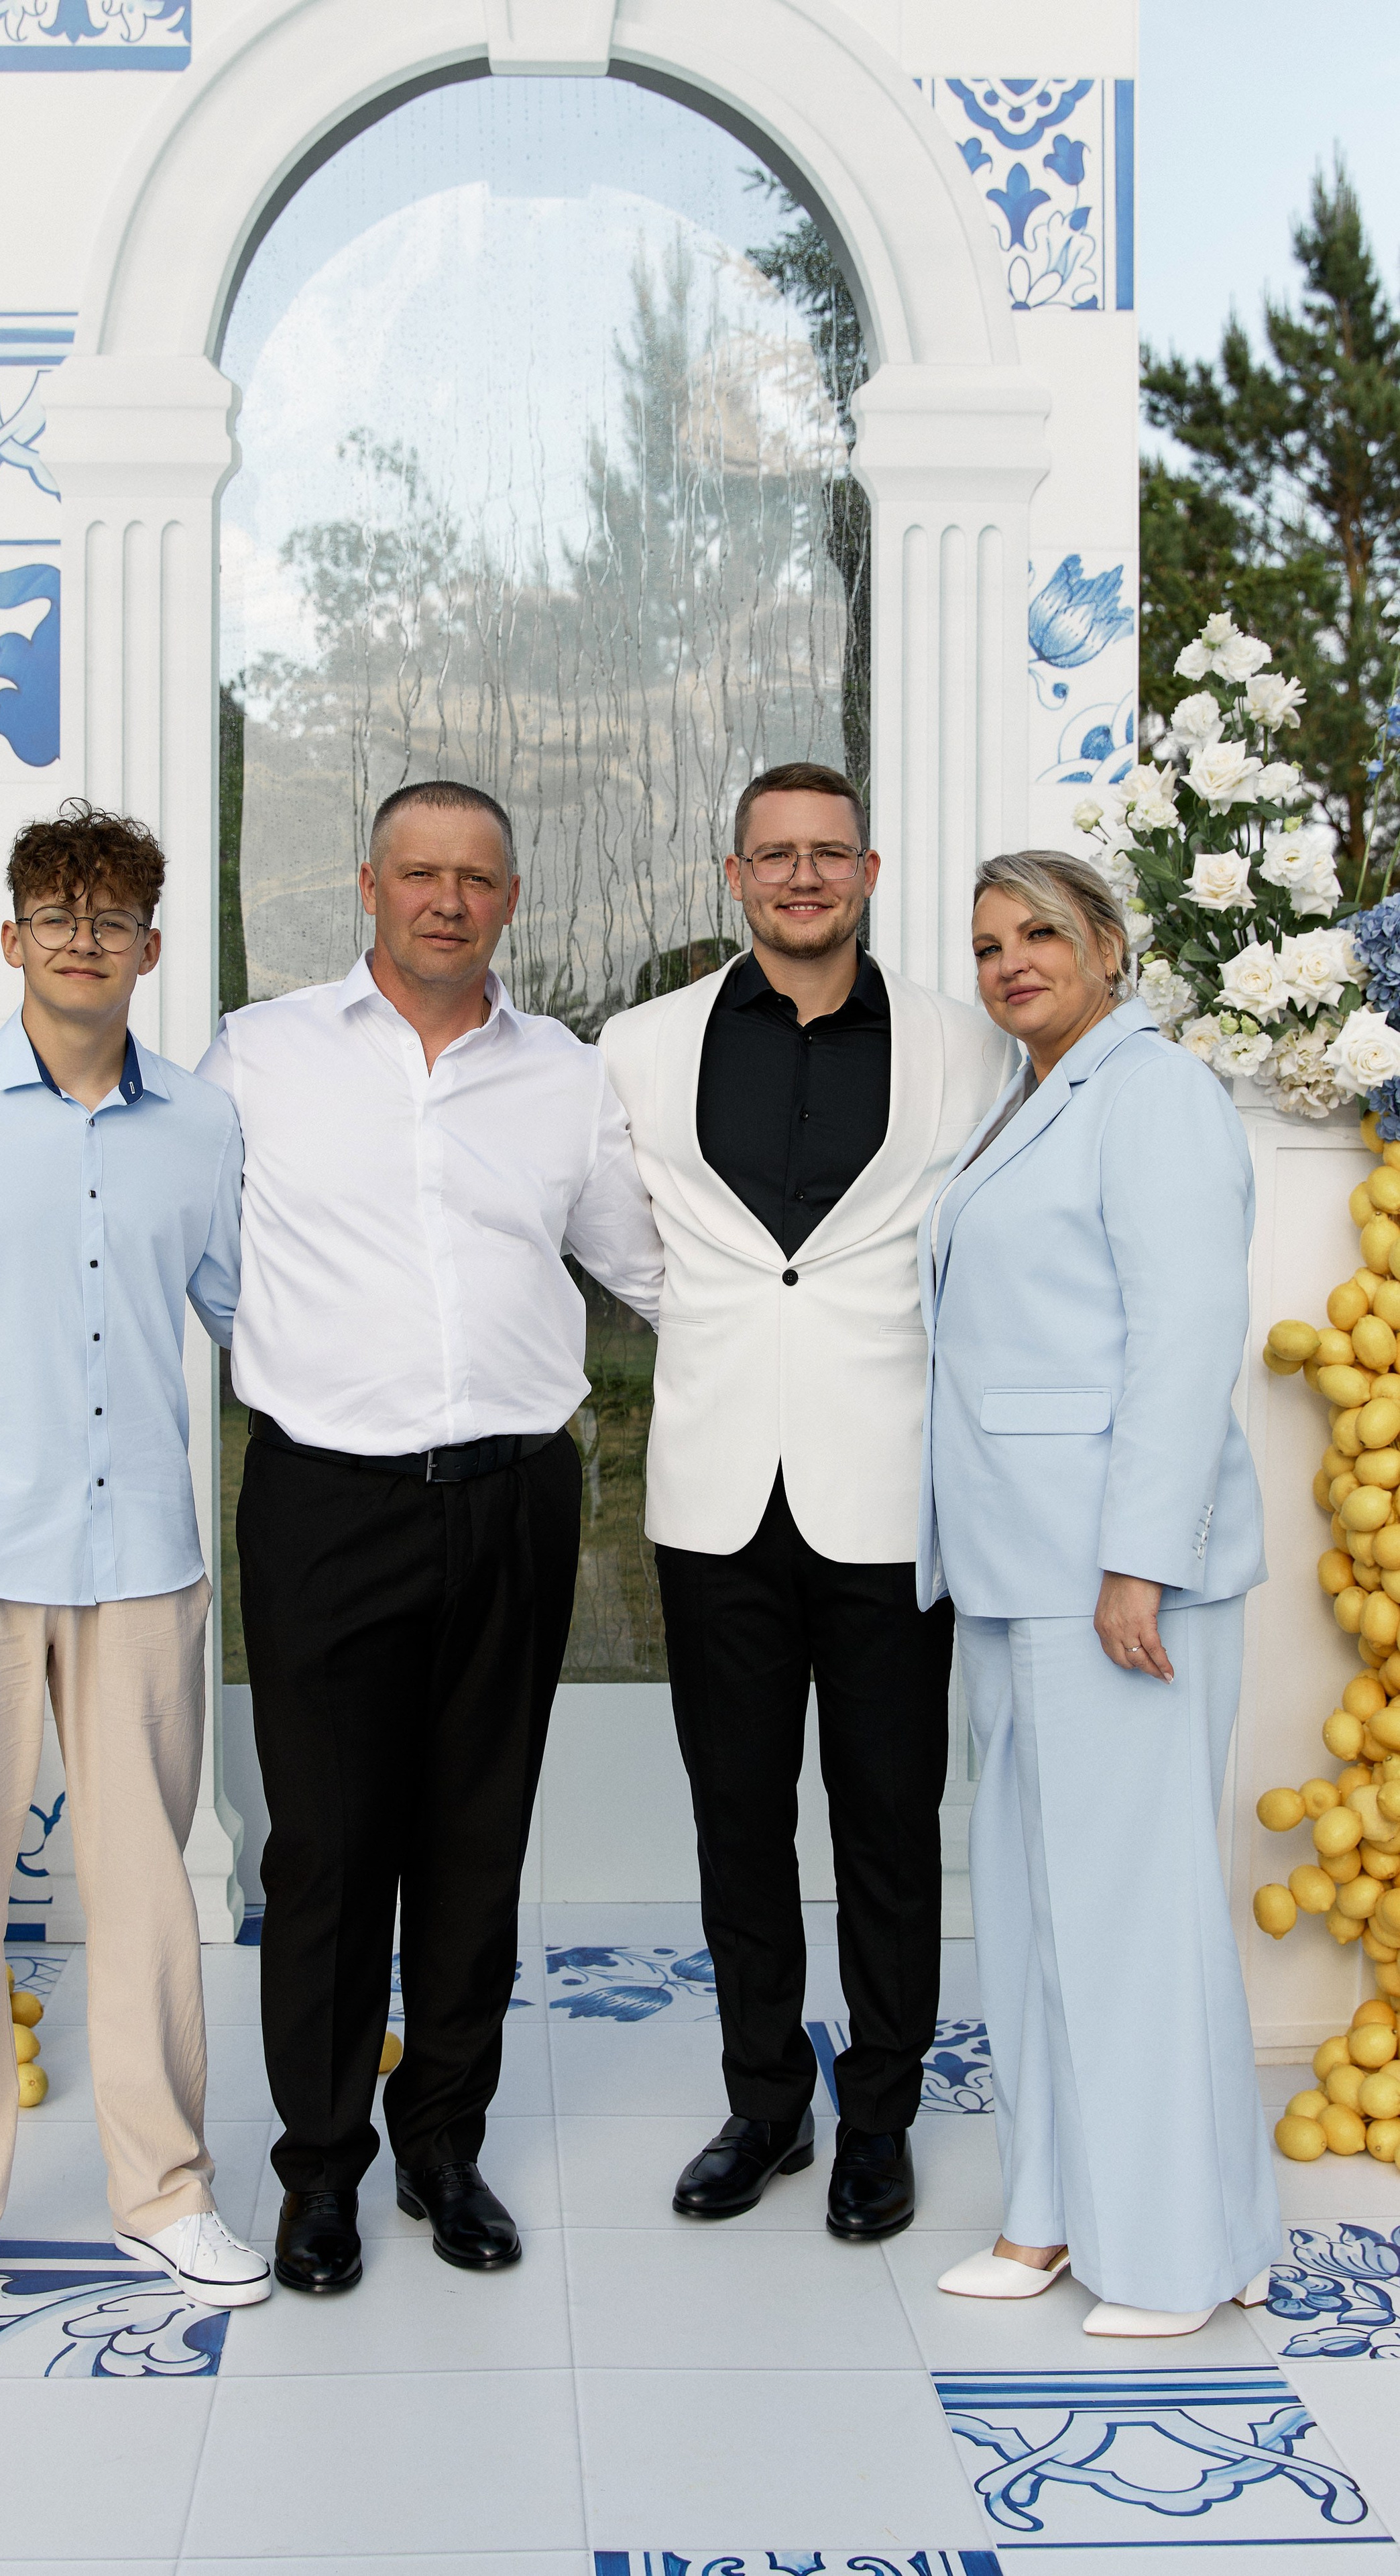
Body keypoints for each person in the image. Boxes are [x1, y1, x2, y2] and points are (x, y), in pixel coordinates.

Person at [200, 780, 662, 2293]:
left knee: (475, 1843)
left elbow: (650, 1270)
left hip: (514, 1501)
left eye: (474, 878)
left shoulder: (565, 1077)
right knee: (328, 1853)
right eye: (418, 873)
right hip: (325, 1499)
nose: (445, 899)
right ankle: (319, 2171)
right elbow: (163, 1248)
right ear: (368, 887)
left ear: (508, 901)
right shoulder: (260, 1056)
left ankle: (441, 2148)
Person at [0, 801, 271, 2347]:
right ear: (12, 938)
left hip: (142, 1550)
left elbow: (246, 1315)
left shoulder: (206, 1126)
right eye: (56, 914)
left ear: (151, 950)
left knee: (149, 1890)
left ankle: (166, 2190)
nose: (85, 940)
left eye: (114, 919)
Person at [599, 761, 1013, 2239]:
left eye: (824, 853)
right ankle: (764, 2101)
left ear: (868, 870)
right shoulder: (638, 1048)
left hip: (894, 1493)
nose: (798, 877)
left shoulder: (970, 1050)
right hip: (714, 1495)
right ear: (732, 877)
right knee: (735, 1817)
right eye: (770, 855)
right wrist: (717, 1325)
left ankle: (879, 2116)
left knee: (891, 1821)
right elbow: (623, 1240)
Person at [922, 848, 1280, 2335]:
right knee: (1032, 1907)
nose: (1011, 961)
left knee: (1127, 1917)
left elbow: (1187, 1333)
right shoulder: (1031, 1097)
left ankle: (1174, 2254)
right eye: (990, 941)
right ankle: (1052, 2213)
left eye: (1040, 935)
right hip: (1018, 1572)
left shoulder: (1155, 1094)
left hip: (1108, 1580)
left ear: (1109, 946)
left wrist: (1139, 1559)